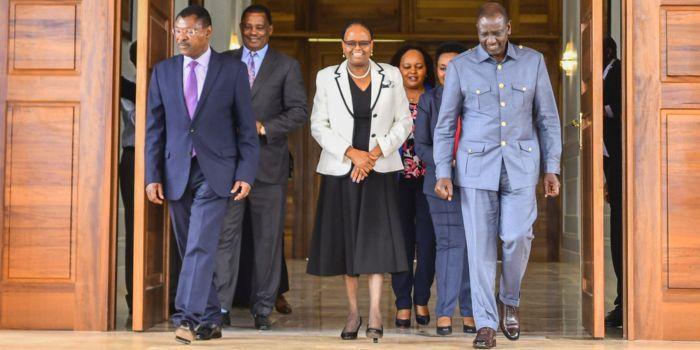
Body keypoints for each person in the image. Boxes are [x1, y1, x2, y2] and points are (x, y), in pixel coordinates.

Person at [433, 2, 561, 348]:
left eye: (496, 32)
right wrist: (443, 171)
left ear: (508, 30)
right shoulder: (461, 66)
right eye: (483, 33)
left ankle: (510, 299)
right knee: (480, 249)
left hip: (521, 167)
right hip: (476, 170)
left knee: (517, 237)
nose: (490, 40)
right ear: (478, 32)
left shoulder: (533, 62)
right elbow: (445, 126)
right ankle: (486, 325)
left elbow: (547, 118)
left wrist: (552, 166)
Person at [145, 5, 259, 344]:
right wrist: (152, 175)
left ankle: (187, 318)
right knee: (194, 248)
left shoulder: (232, 70)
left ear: (208, 32)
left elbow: (246, 131)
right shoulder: (163, 71)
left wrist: (246, 173)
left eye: (190, 30)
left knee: (199, 244)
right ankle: (210, 318)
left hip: (217, 171)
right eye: (179, 30)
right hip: (175, 172)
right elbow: (155, 129)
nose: (182, 36)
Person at [306, 20, 412, 343]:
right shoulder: (326, 77)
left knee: (377, 243)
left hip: (379, 170)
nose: (357, 48)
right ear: (342, 46)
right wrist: (353, 154)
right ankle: (353, 312)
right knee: (348, 245)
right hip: (342, 171)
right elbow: (318, 126)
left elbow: (404, 121)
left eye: (363, 43)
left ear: (372, 45)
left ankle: (377, 312)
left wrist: (374, 155)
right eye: (351, 43)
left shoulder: (391, 76)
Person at [214, 4, 307, 330]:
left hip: (269, 167)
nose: (254, 32)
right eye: (248, 27)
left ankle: (263, 308)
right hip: (228, 166)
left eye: (260, 27)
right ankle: (221, 306)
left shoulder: (287, 66)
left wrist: (264, 127)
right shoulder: (223, 61)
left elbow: (299, 111)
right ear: (241, 28)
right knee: (225, 237)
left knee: (268, 240)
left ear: (270, 30)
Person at [414, 41, 476, 336]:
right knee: (450, 244)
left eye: (454, 67)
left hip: (476, 181)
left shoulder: (476, 96)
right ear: (436, 71)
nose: (448, 73)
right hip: (438, 183)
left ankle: (471, 311)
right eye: (442, 68)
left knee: (473, 247)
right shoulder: (429, 100)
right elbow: (422, 145)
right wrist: (446, 163)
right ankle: (444, 313)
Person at [389, 44, 437, 329]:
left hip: (429, 181)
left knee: (429, 243)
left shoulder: (435, 97)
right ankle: (403, 303)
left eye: (418, 66)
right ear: (398, 69)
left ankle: (421, 297)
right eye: (407, 66)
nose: (412, 71)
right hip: (397, 181)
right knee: (401, 244)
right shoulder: (389, 98)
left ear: (426, 69)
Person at [602, 36, 623, 329]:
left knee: (620, 229)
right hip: (610, 164)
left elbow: (620, 107)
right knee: (616, 228)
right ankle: (622, 299)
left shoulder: (618, 70)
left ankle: (624, 301)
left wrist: (596, 106)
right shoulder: (605, 72)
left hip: (623, 159)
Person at [119, 41, 137, 316]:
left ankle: (169, 293)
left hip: (169, 159)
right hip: (134, 158)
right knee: (135, 227)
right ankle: (135, 296)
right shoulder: (126, 86)